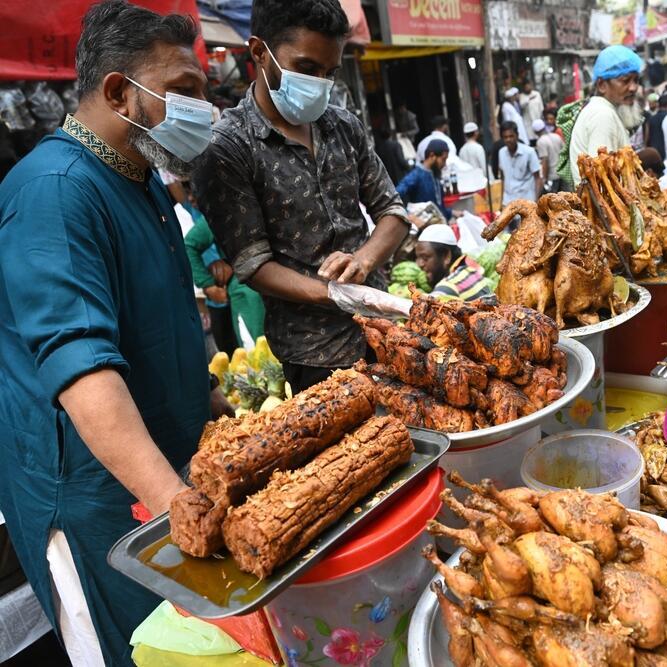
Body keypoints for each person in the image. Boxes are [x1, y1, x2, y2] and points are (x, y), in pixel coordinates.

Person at [0, 2, 233, 664]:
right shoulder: (55, 191)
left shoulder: (143, 181)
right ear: (116, 91)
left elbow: (161, 317)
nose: (202, 110)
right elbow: (83, 369)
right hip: (95, 497)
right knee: (130, 647)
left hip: (168, 474)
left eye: (204, 92)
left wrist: (215, 406)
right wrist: (178, 505)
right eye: (184, 91)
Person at [192, 0, 410, 395]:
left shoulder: (343, 125)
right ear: (259, 52)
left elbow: (392, 212)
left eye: (329, 73)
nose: (319, 84)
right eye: (307, 69)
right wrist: (336, 295)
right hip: (314, 355)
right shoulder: (228, 148)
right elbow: (253, 265)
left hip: (385, 330)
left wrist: (363, 261)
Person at [184, 210, 266, 351]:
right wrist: (207, 283)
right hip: (247, 293)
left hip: (284, 286)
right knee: (258, 356)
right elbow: (189, 245)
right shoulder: (221, 205)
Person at [568, 45, 643, 185]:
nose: (633, 88)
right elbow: (601, 182)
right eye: (625, 80)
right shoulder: (602, 115)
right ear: (602, 85)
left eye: (636, 80)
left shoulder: (603, 111)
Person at [414, 224, 491, 301]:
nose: (420, 264)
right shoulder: (472, 272)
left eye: (425, 258)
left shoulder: (448, 287)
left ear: (446, 256)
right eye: (418, 257)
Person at [396, 139, 450, 216]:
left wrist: (452, 213)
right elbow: (396, 195)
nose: (444, 164)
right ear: (432, 156)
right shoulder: (415, 176)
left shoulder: (435, 175)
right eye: (443, 159)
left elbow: (440, 208)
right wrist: (408, 215)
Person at [497, 121, 542, 205]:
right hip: (508, 202)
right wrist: (501, 201)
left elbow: (538, 178)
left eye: (511, 136)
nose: (508, 140)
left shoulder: (529, 152)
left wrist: (536, 201)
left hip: (526, 202)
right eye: (505, 137)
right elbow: (503, 177)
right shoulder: (501, 152)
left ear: (517, 135)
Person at [533, 118, 564, 192]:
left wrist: (544, 179)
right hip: (562, 174)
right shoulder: (556, 136)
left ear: (535, 132)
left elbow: (545, 161)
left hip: (552, 176)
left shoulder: (540, 142)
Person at [644, 93, 667, 158]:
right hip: (666, 150)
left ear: (658, 104)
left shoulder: (651, 118)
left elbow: (647, 136)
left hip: (654, 150)